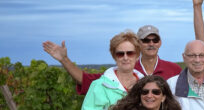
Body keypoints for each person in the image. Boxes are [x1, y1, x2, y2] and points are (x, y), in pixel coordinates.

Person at [42, 25, 181, 96]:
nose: (151, 43)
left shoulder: (175, 70)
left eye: (154, 40)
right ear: (138, 44)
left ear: (160, 42)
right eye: (146, 40)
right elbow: (86, 81)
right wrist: (64, 60)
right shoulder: (125, 69)